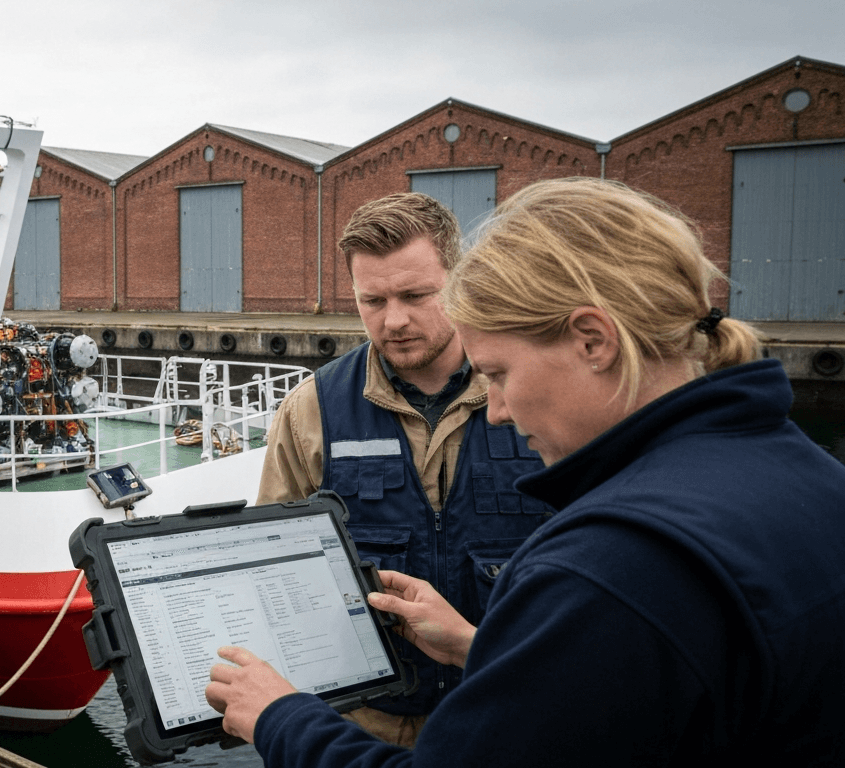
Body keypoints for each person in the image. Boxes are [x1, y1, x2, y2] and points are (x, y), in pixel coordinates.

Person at [208, 178, 845, 765]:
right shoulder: (806, 474)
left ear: (594, 340)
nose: (500, 410)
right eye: (372, 300)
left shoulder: (614, 563)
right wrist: (472, 643)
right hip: (388, 710)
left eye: (502, 374)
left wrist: (280, 716)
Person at [256, 192, 549, 745]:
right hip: (363, 726)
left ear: (459, 280)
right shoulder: (311, 410)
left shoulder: (534, 390)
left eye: (416, 295)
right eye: (373, 300)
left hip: (508, 720)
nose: (394, 320)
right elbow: (274, 565)